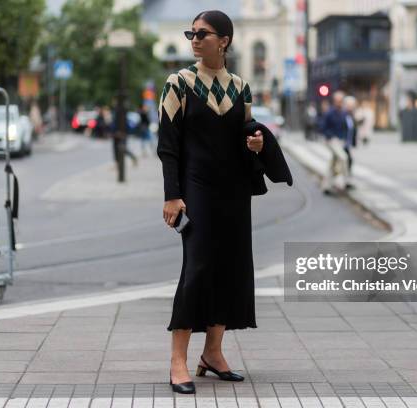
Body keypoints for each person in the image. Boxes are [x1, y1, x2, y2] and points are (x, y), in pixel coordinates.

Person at [157, 10, 264, 394]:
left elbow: (247, 136)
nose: (195, 38)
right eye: (191, 33)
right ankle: (177, 362)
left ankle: (213, 355)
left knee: (231, 268)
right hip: (196, 188)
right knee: (198, 269)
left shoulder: (240, 87)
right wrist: (172, 195)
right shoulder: (179, 83)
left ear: (224, 40)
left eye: (203, 33)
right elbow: (167, 147)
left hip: (233, 192)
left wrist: (256, 144)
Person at [320, 90, 350, 194]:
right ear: (334, 101)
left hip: (340, 140)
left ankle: (326, 186)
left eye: (341, 100)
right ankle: (344, 181)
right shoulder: (329, 113)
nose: (340, 102)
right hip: (332, 140)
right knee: (343, 157)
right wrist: (330, 136)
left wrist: (346, 139)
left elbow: (347, 127)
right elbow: (323, 127)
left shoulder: (344, 112)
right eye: (338, 100)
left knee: (332, 163)